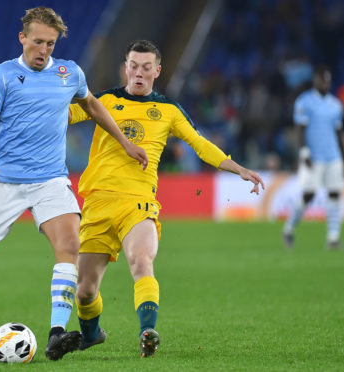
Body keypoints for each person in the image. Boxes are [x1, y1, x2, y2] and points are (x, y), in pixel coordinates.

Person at [0, 7, 148, 362]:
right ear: (23, 38)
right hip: (4, 182)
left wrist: (125, 142)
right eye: (38, 41)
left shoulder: (68, 72)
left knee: (70, 245)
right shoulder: (4, 74)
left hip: (50, 179)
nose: (43, 49)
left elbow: (93, 105)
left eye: (50, 43)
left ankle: (57, 333)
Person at [69, 40, 265, 358]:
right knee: (85, 290)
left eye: (147, 67)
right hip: (98, 201)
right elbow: (63, 116)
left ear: (157, 71)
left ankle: (148, 330)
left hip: (139, 202)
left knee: (142, 260)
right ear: (125, 66)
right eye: (134, 65)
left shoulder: (169, 111)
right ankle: (91, 335)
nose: (139, 73)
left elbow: (199, 144)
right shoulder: (103, 100)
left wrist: (237, 168)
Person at [283, 66, 344, 249]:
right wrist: (304, 152)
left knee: (335, 193)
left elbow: (339, 133)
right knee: (309, 195)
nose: (326, 83)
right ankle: (288, 229)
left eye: (328, 80)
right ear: (315, 80)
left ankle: (333, 239)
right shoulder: (304, 102)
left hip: (333, 156)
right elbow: (300, 130)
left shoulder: (335, 104)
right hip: (313, 156)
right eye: (323, 80)